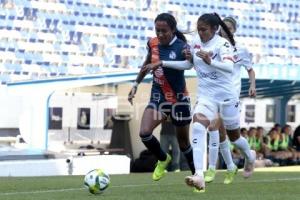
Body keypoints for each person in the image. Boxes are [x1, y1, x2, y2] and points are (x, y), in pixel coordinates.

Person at [147, 13, 256, 192]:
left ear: (215, 29)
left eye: (204, 29)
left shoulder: (223, 45)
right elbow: (188, 65)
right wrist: (162, 63)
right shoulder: (196, 41)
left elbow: (229, 68)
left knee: (234, 138)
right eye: (198, 29)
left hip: (227, 96)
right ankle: (199, 175)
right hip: (206, 96)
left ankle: (250, 156)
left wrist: (210, 61)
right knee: (198, 127)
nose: (200, 32)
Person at [127, 13, 195, 181]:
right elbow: (147, 63)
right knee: (144, 132)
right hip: (158, 96)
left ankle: (196, 174)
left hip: (179, 99)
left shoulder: (181, 47)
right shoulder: (153, 43)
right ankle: (163, 159)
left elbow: (189, 65)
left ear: (172, 30)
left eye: (164, 31)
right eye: (157, 30)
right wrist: (135, 84)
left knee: (183, 143)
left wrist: (163, 63)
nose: (160, 34)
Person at [204, 16, 257, 184]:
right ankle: (215, 168)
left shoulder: (240, 49)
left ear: (234, 31)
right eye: (223, 28)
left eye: (230, 28)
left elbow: (250, 70)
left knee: (234, 137)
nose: (226, 31)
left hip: (231, 95)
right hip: (214, 94)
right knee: (215, 129)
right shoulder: (214, 46)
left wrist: (252, 85)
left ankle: (249, 157)